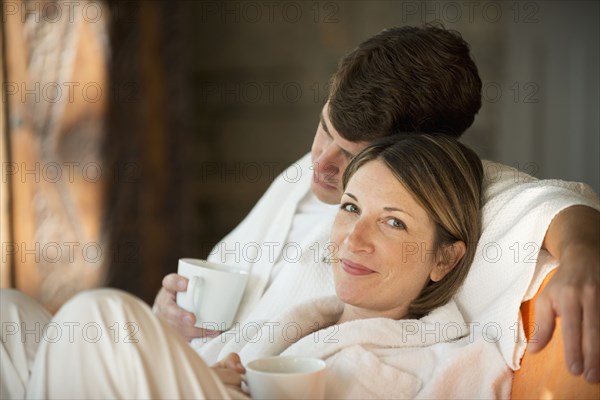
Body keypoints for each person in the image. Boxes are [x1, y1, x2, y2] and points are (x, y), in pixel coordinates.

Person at [154, 25, 600, 383]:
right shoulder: (300, 177)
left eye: (350, 154)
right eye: (325, 128)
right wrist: (169, 317)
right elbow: (209, 293)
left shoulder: (442, 191)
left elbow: (553, 203)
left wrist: (583, 255)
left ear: (410, 154)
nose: (321, 164)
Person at [5, 134, 505, 398]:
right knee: (9, 318)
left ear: (445, 257)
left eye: (393, 223)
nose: (354, 239)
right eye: (350, 208)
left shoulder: (429, 361)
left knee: (101, 317)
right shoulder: (310, 315)